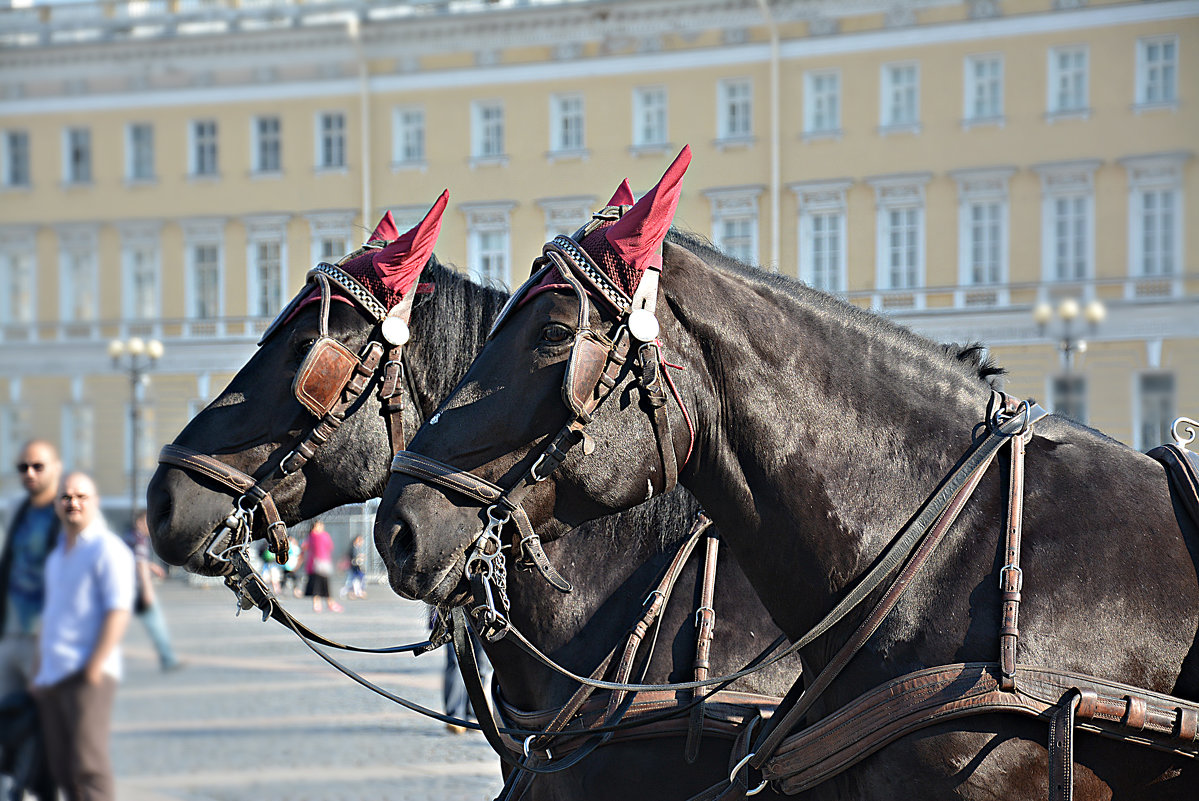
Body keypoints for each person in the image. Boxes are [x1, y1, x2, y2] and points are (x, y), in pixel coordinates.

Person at [32, 471, 134, 801]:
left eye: (80, 496)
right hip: (53, 673)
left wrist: (94, 665)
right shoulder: (58, 554)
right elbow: (52, 616)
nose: (72, 502)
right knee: (61, 767)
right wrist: (38, 668)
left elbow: (118, 609)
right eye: (65, 497)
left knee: (88, 764)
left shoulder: (107, 548)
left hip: (88, 672)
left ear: (94, 502)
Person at [0, 440, 62, 801]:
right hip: (11, 635)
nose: (30, 473)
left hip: (46, 639)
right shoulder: (21, 511)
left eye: (38, 466)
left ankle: (29, 789)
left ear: (55, 468)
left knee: (43, 723)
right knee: (11, 722)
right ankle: (18, 784)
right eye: (23, 467)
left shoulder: (67, 513)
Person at [126, 512, 181, 672]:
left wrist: (152, 566)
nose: (150, 526)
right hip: (135, 588)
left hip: (125, 587)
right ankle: (168, 658)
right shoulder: (139, 539)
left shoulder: (130, 536)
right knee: (155, 621)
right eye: (147, 522)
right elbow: (140, 565)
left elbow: (136, 560)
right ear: (138, 522)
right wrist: (147, 590)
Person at [302, 521, 340, 613]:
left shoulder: (310, 537)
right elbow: (329, 547)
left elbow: (304, 547)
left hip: (315, 564)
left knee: (318, 585)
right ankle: (327, 603)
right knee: (322, 585)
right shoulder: (319, 536)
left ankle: (320, 604)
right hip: (321, 564)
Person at [340, 534, 367, 600]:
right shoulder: (352, 548)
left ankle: (358, 593)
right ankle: (345, 592)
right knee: (352, 580)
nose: (362, 542)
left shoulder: (356, 548)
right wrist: (359, 558)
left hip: (356, 567)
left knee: (358, 579)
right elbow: (352, 559)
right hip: (353, 567)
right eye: (360, 540)